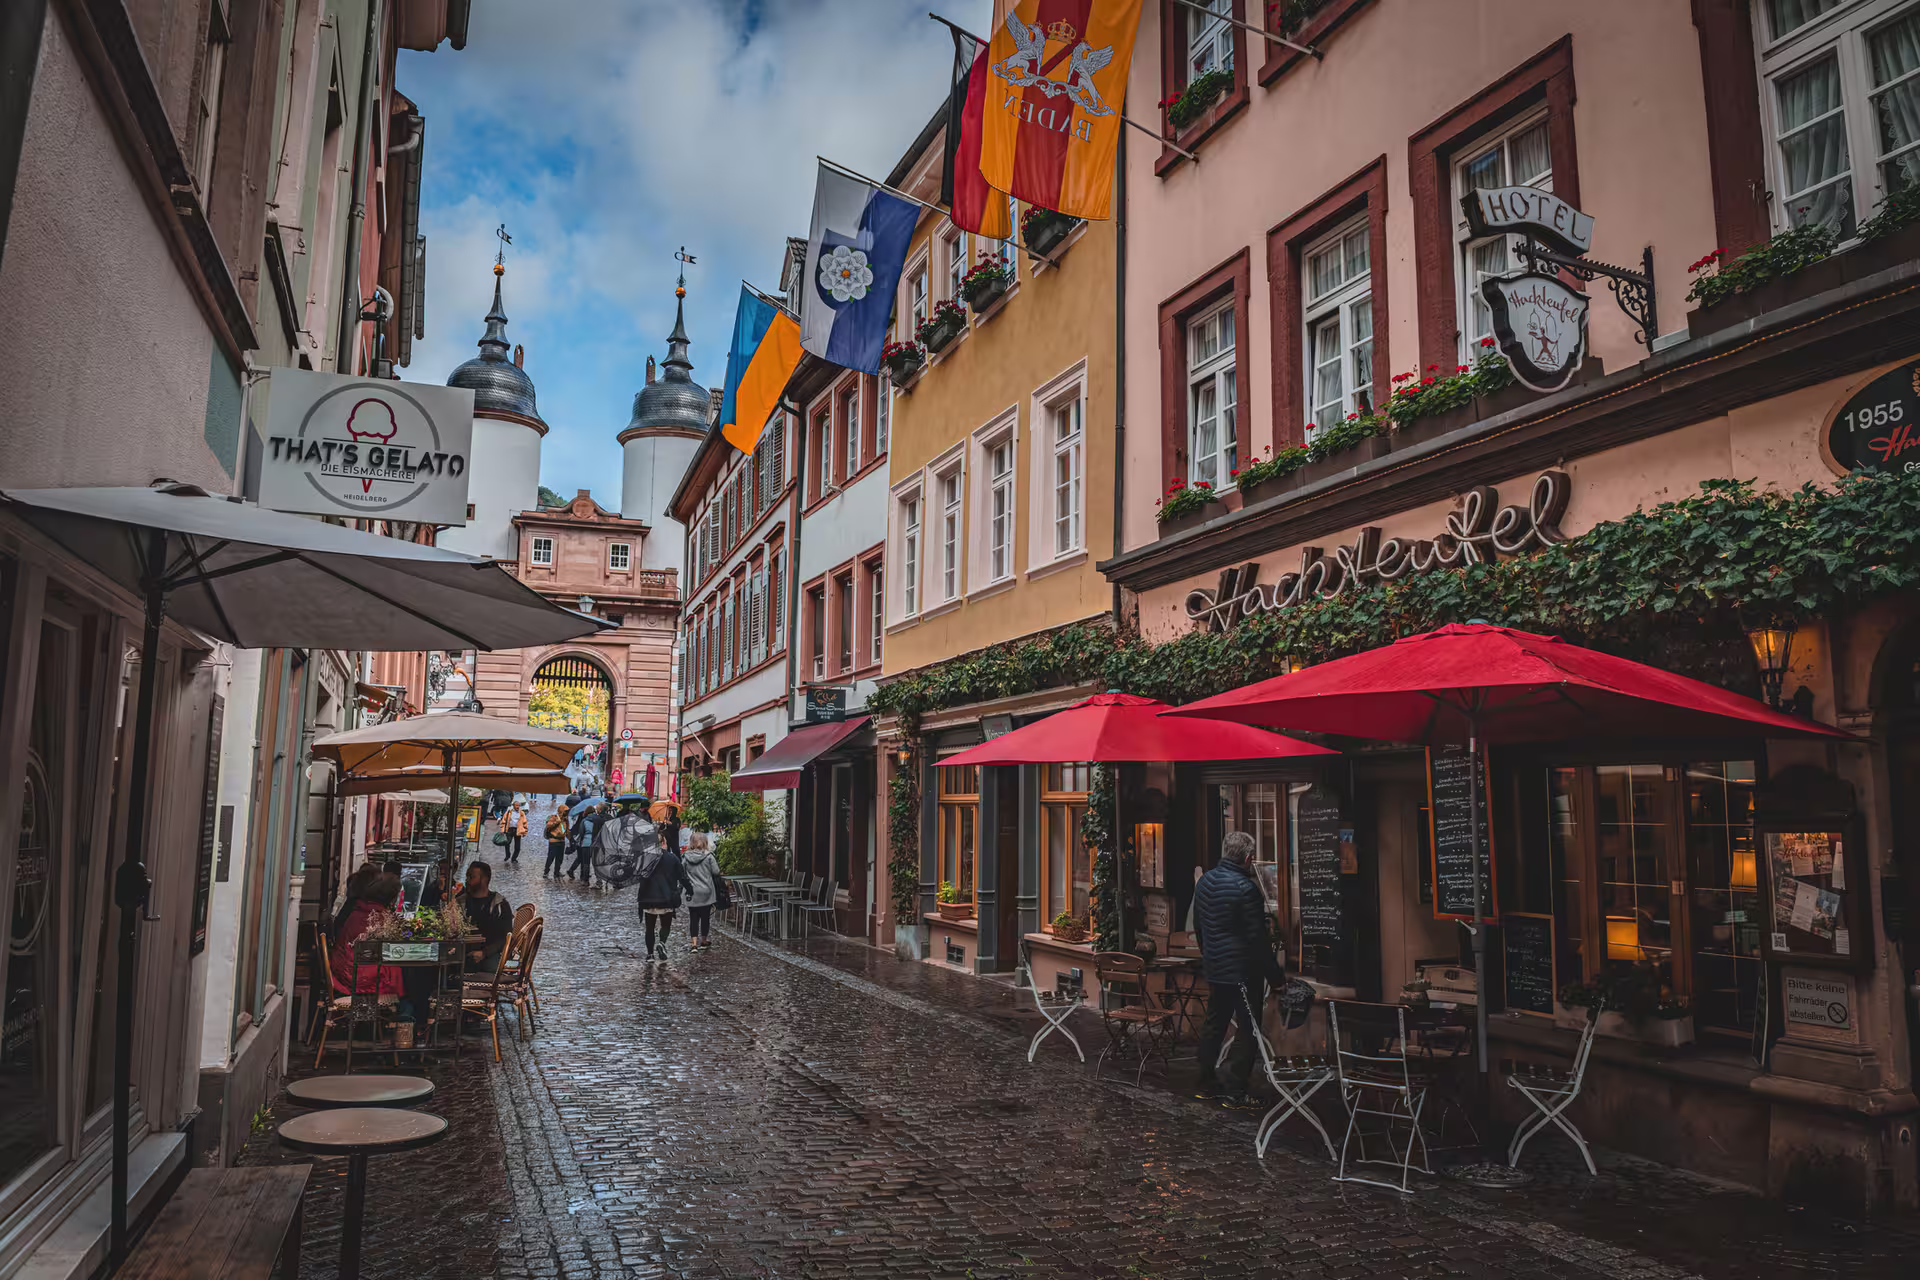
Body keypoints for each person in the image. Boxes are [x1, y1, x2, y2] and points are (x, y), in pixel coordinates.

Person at [1192, 831, 1286, 1108]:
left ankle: (1205, 1082)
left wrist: (1208, 954)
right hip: (1244, 971)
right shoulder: (1247, 890)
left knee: (1215, 1024)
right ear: (1247, 858)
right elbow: (1258, 940)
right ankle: (1235, 1091)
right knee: (1248, 1029)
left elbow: (1199, 927)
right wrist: (1277, 979)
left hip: (1216, 967)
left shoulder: (1205, 882)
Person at [633, 826, 692, 962]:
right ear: (664, 843)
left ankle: (650, 955)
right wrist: (690, 890)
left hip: (648, 898)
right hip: (666, 898)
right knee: (665, 925)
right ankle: (662, 943)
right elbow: (682, 877)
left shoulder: (645, 859)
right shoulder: (672, 859)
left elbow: (637, 875)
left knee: (650, 927)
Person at [461, 861, 514, 976]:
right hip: (464, 953)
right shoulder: (461, 902)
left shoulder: (499, 904)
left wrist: (484, 953)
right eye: (467, 876)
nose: (468, 880)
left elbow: (507, 937)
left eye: (472, 877)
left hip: (491, 955)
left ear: (484, 880)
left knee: (490, 968)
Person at [681, 833, 723, 951]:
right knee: (705, 917)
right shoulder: (709, 857)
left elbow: (681, 872)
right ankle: (704, 939)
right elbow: (716, 871)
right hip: (707, 892)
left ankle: (694, 943)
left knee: (693, 918)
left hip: (692, 892)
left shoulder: (686, 857)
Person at [567, 801, 604, 884]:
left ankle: (585, 880)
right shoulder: (599, 819)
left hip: (586, 843)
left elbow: (581, 832)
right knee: (596, 862)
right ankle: (599, 880)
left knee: (586, 862)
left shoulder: (585, 820)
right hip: (597, 843)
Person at [544, 807, 570, 877]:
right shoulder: (554, 818)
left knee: (559, 858)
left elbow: (567, 830)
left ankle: (557, 872)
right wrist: (556, 822)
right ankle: (546, 871)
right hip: (554, 841)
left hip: (562, 840)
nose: (566, 813)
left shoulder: (566, 820)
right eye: (565, 811)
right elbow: (548, 826)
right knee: (551, 857)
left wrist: (570, 839)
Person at [501, 799, 528, 863]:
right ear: (513, 806)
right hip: (510, 829)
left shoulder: (522, 813)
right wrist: (503, 830)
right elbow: (504, 821)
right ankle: (507, 855)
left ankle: (514, 858)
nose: (517, 807)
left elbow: (525, 822)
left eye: (519, 805)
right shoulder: (509, 812)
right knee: (507, 843)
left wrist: (525, 832)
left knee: (517, 847)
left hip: (518, 830)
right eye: (516, 805)